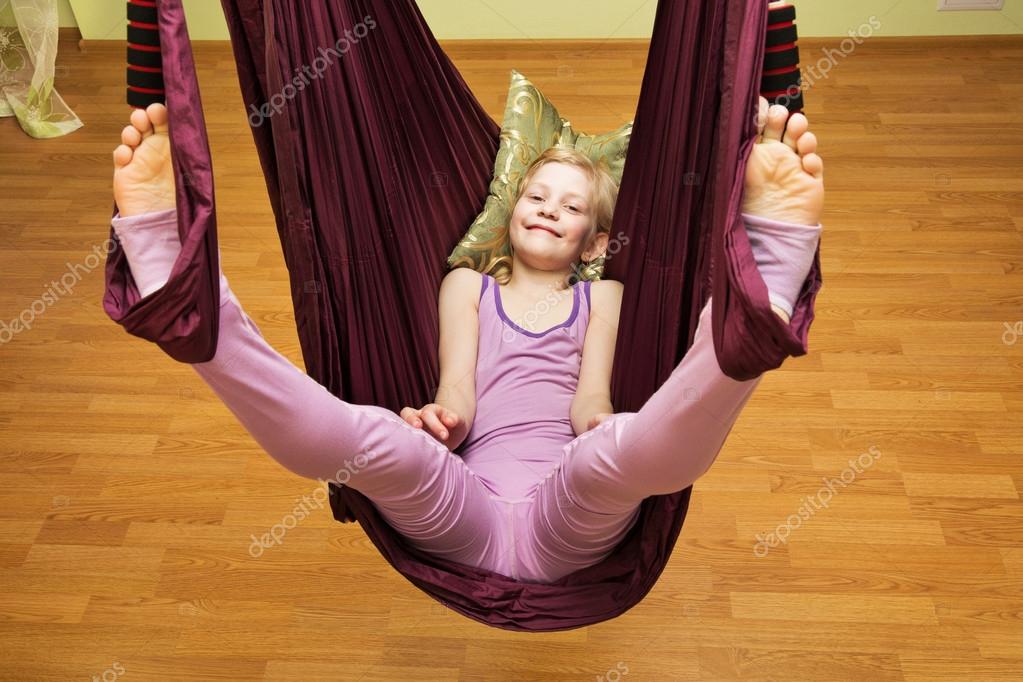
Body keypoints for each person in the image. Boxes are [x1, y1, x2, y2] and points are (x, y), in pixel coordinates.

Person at [110, 95, 823, 584]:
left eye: (570, 207)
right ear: (511, 212)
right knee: (382, 439)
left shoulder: (604, 294)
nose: (547, 210)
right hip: (468, 508)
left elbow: (590, 405)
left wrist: (609, 430)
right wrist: (436, 423)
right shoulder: (467, 285)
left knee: (611, 452)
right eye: (536, 197)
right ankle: (195, 317)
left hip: (564, 513)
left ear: (596, 241)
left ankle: (749, 319)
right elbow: (457, 394)